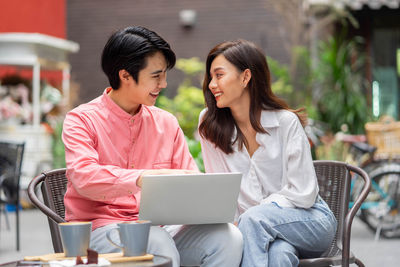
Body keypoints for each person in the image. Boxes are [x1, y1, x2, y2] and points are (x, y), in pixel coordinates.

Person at [62, 26, 243, 267]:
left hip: (161, 231)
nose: (164, 83)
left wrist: (210, 210)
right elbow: (83, 176)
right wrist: (143, 177)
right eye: (156, 76)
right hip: (100, 233)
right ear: (125, 76)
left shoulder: (166, 123)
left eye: (164, 75)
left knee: (227, 238)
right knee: (155, 241)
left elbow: (188, 179)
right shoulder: (81, 120)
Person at [198, 39, 337, 267]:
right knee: (279, 254)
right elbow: (220, 188)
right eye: (210, 77)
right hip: (256, 231)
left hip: (311, 221)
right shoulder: (209, 124)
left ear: (245, 77)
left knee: (254, 220)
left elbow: (303, 193)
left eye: (219, 75)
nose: (212, 84)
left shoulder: (285, 122)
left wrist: (252, 216)